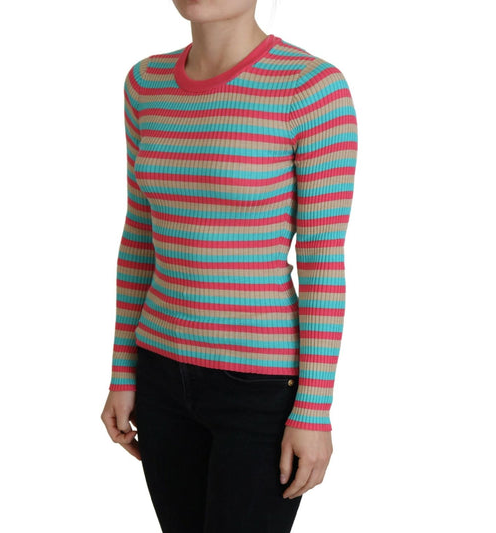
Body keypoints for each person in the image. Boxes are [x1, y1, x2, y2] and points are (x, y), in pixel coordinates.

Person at [101, 1, 358, 531]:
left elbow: (322, 261)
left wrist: (313, 408)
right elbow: (140, 238)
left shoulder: (311, 88)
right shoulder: (145, 84)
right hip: (158, 375)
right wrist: (122, 371)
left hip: (259, 389)